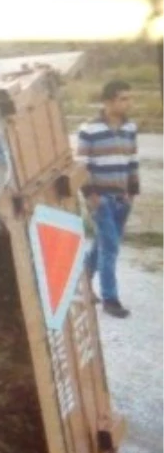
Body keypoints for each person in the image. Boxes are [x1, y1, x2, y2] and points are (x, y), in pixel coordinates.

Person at [78, 80, 138, 319]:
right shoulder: (89, 129)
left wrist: (132, 193)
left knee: (102, 245)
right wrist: (92, 196)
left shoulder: (130, 127)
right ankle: (110, 299)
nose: (128, 103)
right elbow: (82, 166)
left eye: (128, 98)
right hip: (100, 199)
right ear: (108, 101)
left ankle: (81, 281)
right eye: (123, 98)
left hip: (122, 199)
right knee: (110, 247)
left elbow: (132, 161)